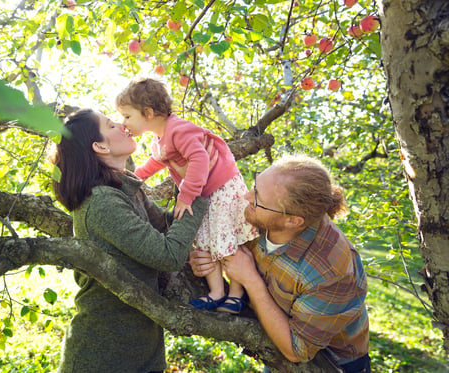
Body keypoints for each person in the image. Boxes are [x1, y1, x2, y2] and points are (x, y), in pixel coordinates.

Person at [50, 108, 208, 373]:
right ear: (100, 146)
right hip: (102, 359)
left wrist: (192, 183)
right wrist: (200, 192)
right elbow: (168, 255)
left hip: (144, 352)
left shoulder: (124, 190)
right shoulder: (102, 202)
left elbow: (168, 225)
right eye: (111, 125)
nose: (123, 126)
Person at [190, 154, 371, 373]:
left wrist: (251, 280)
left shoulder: (332, 270)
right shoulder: (259, 214)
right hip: (274, 334)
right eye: (254, 187)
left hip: (333, 362)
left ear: (292, 221)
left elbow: (296, 350)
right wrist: (206, 260)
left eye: (258, 198)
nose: (246, 197)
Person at [116, 77, 259, 314]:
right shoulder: (160, 138)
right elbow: (156, 162)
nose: (124, 123)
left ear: (148, 113)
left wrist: (186, 195)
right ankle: (216, 293)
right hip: (204, 193)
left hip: (222, 187)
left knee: (228, 237)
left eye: (127, 116)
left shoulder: (179, 129)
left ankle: (236, 295)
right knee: (202, 237)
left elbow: (200, 158)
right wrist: (134, 177)